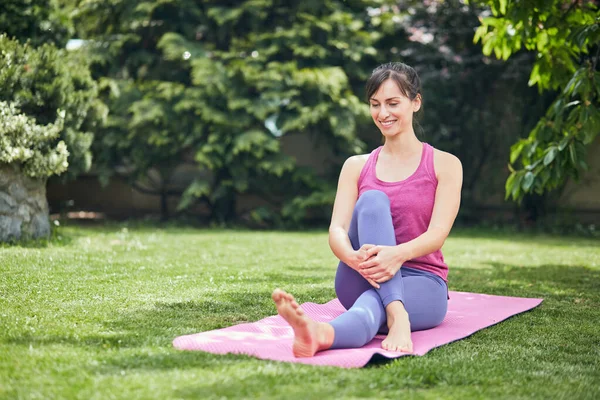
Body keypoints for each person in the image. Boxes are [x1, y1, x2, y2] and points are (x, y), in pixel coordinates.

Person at [272, 62, 463, 357]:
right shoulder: (356, 166)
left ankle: (321, 334)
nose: (382, 113)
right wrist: (353, 258)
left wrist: (395, 255)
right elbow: (337, 230)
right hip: (362, 274)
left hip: (422, 280)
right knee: (373, 201)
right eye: (375, 104)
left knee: (373, 305)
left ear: (416, 102)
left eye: (392, 103)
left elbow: (437, 234)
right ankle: (397, 314)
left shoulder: (445, 164)